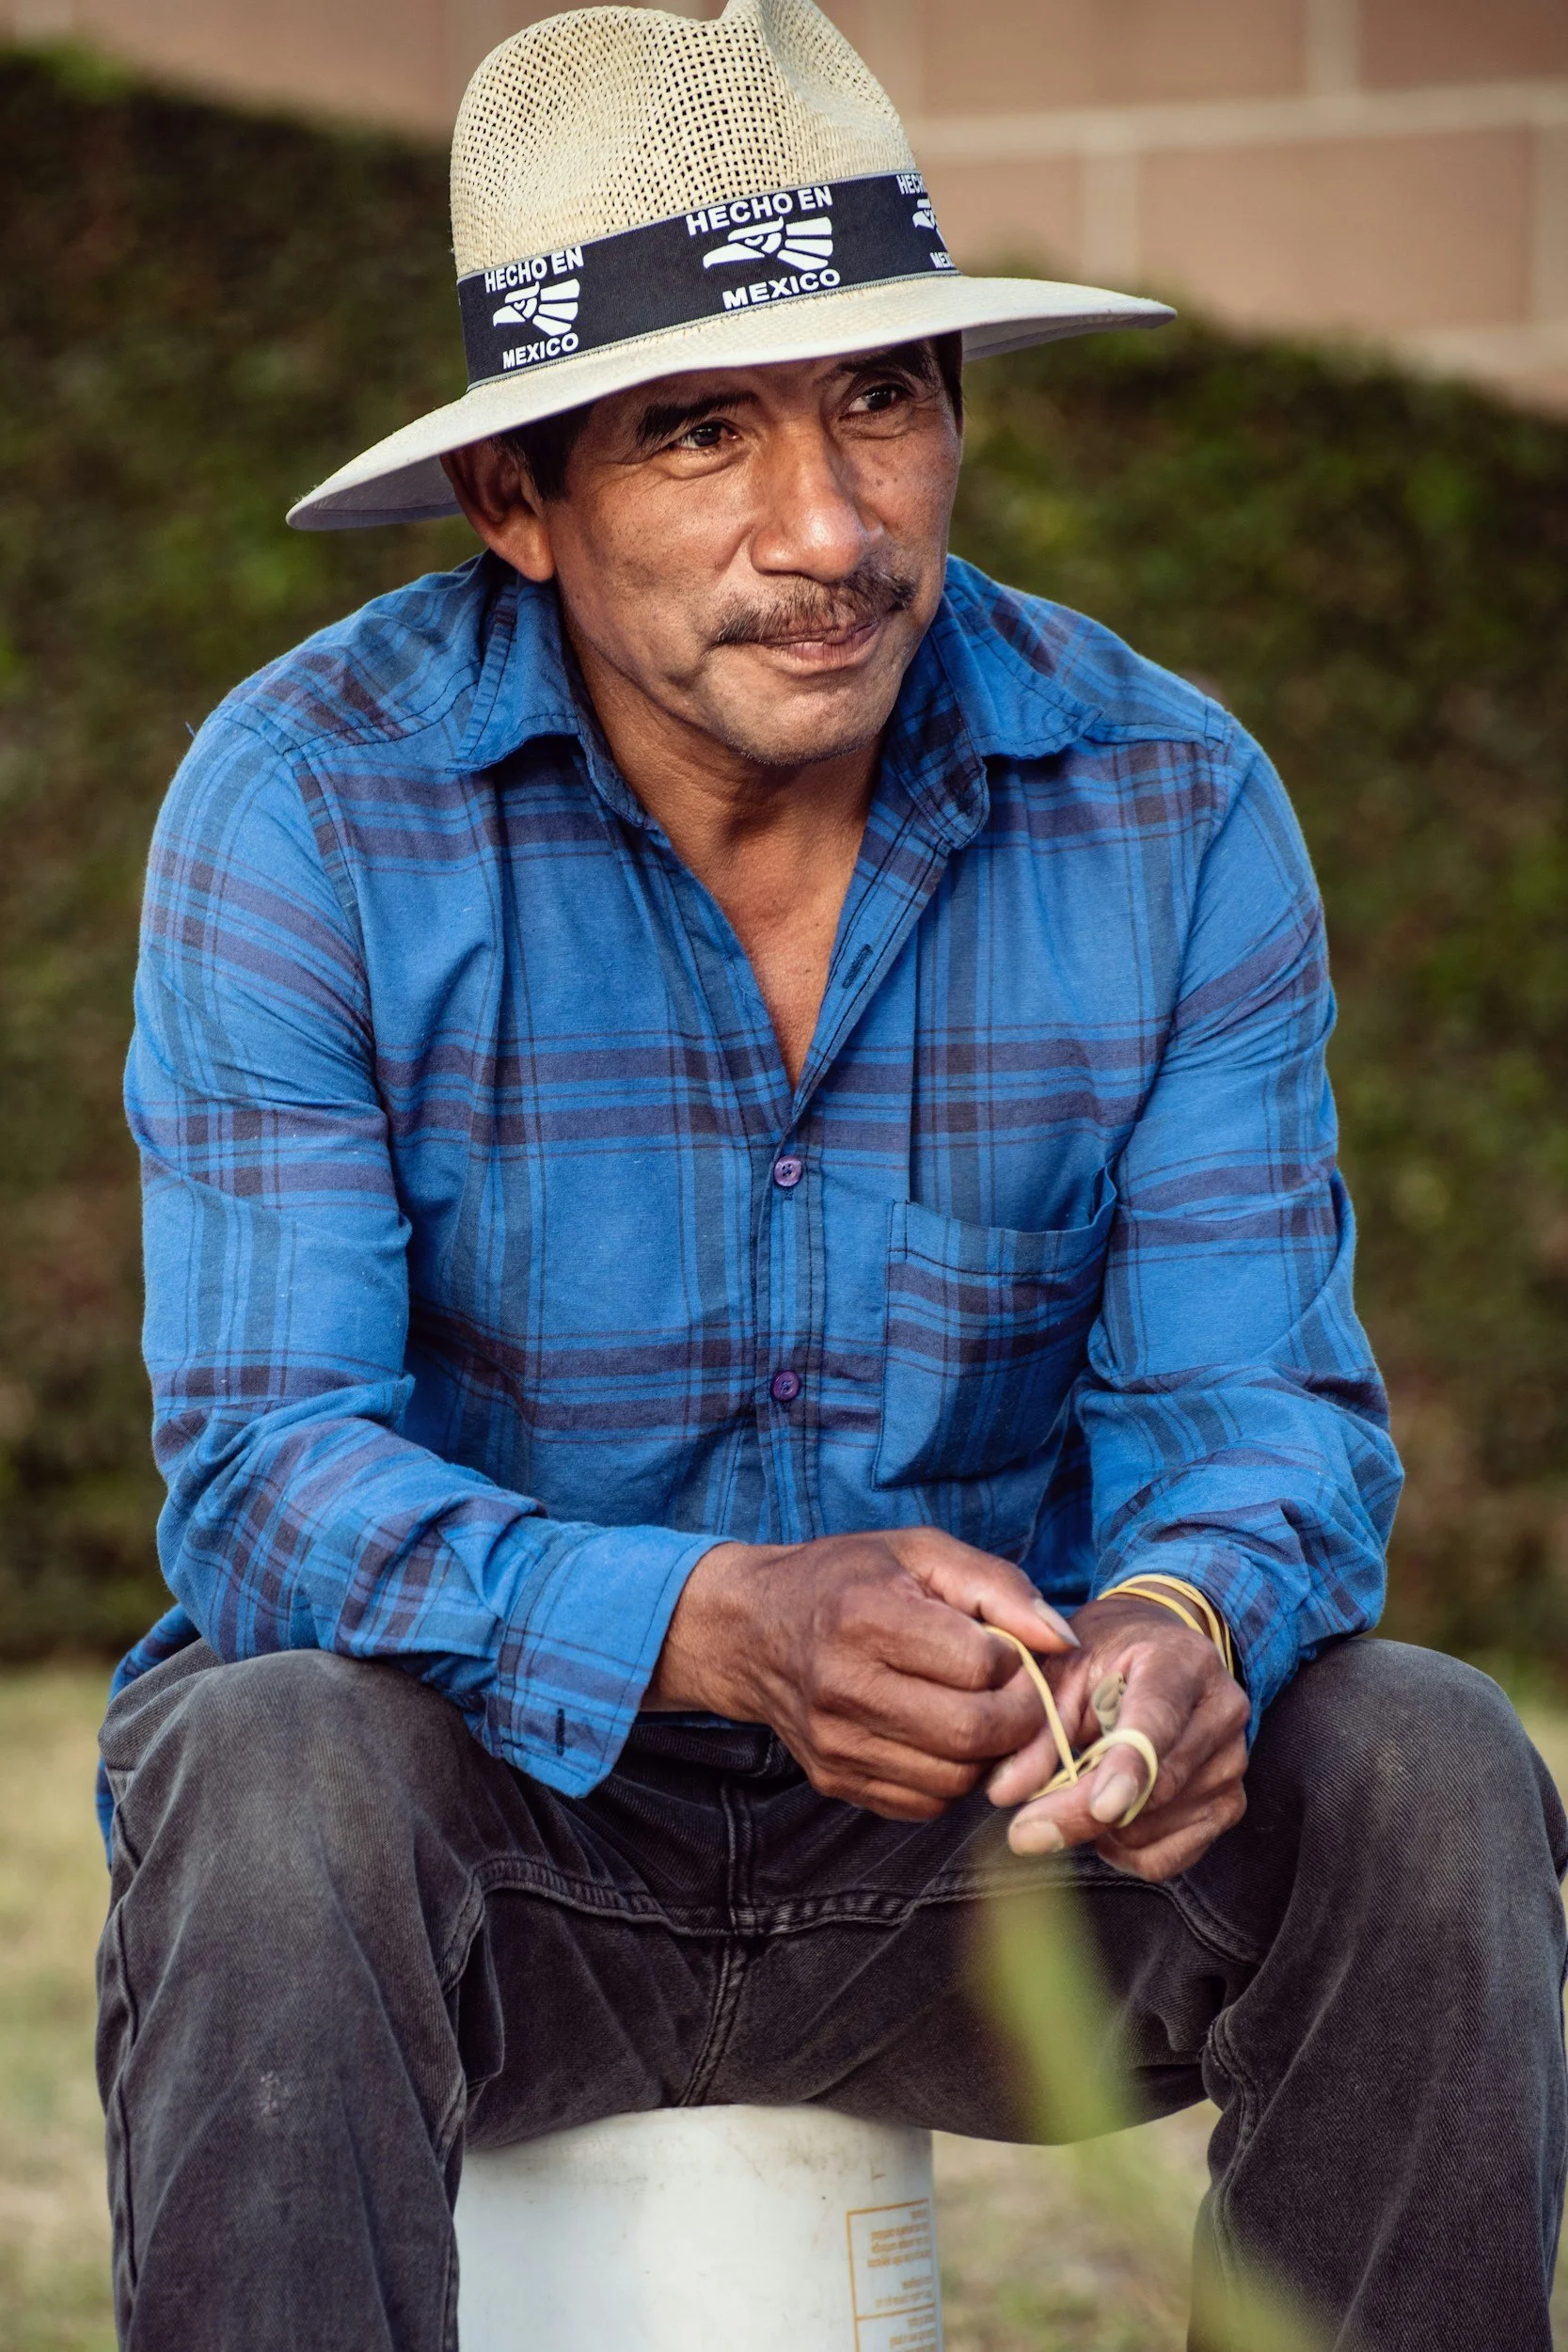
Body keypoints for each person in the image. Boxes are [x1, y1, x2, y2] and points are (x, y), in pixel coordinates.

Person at [95, 4, 1567, 2347]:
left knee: (1421, 1753)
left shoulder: (1163, 800)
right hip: (500, 1844)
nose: (833, 525)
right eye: (700, 429)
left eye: (880, 399)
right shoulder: (306, 807)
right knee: (264, 1756)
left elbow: (1267, 1414)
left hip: (992, 1859)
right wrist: (716, 1620)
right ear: (517, 500)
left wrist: (1176, 1631)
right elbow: (262, 1482)